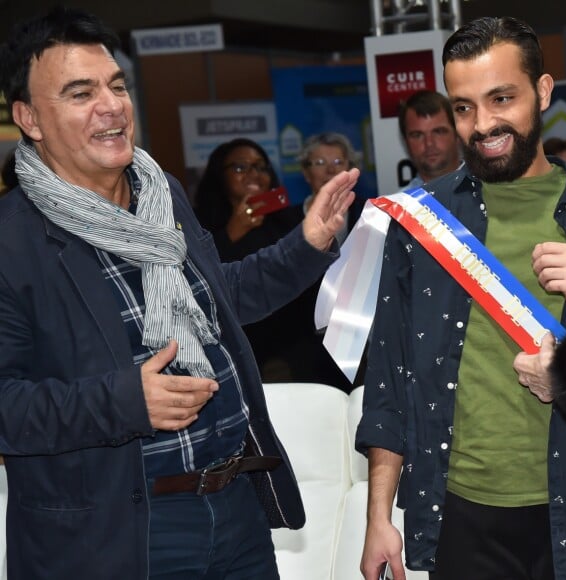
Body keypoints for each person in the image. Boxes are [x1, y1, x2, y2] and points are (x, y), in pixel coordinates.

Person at [0, 7, 359, 579]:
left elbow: (219, 300)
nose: (112, 105)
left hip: (234, 506)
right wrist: (124, 402)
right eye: (79, 92)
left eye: (117, 84)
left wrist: (308, 244)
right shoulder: (12, 242)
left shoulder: (159, 191)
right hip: (118, 535)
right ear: (30, 118)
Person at [357, 16, 566, 580]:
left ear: (544, 92)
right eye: (463, 107)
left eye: (501, 98)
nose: (483, 124)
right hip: (460, 513)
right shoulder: (422, 220)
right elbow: (390, 373)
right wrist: (379, 515)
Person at [194, 138, 351, 387]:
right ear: (219, 175)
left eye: (260, 166)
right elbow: (203, 283)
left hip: (295, 350)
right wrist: (233, 232)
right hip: (236, 352)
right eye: (240, 167)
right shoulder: (199, 224)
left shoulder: (289, 220)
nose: (252, 174)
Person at [298, 131, 366, 245]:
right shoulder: (282, 221)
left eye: (338, 162)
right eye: (320, 163)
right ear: (306, 172)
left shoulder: (368, 212)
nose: (331, 170)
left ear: (350, 169)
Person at [397, 89, 462, 188]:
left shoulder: (488, 195)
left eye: (438, 132)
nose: (429, 143)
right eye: (417, 135)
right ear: (405, 141)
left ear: (458, 134)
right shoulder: (399, 203)